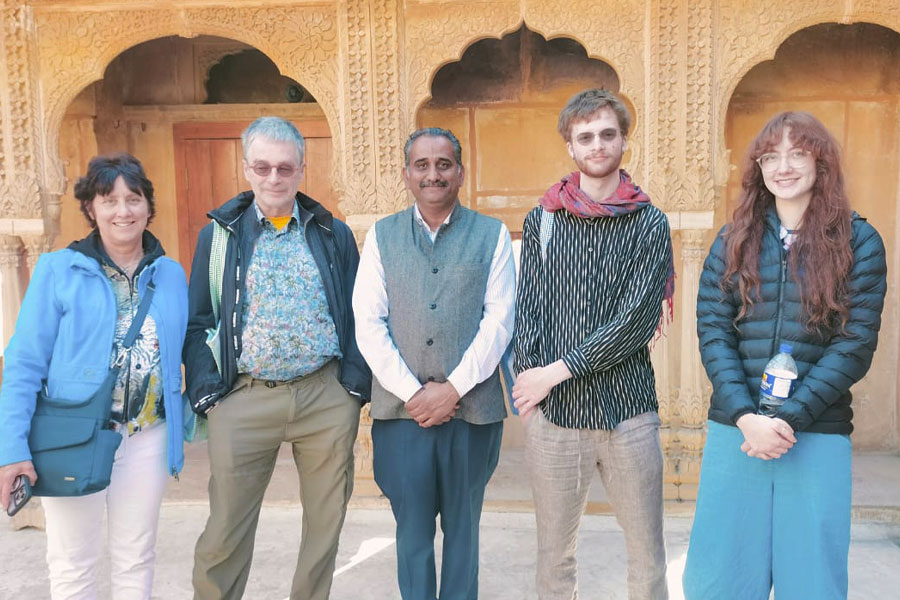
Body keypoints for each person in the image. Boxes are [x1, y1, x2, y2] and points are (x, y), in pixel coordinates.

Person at [682, 111, 887, 600]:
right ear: (758, 168)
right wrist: (746, 416)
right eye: (770, 157)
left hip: (816, 430)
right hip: (738, 432)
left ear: (821, 162)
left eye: (798, 153)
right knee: (722, 578)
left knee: (812, 579)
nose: (784, 167)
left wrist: (787, 419)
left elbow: (855, 344)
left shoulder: (859, 241)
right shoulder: (732, 240)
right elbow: (714, 332)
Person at [185, 116, 370, 600]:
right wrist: (209, 393)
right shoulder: (219, 236)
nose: (274, 178)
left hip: (324, 396)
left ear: (302, 169)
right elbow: (199, 319)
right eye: (262, 167)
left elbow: (360, 313)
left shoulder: (332, 233)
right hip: (243, 397)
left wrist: (352, 389)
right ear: (246, 168)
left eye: (285, 168)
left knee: (325, 527)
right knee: (225, 530)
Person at [0, 153, 190, 598]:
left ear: (148, 206)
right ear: (91, 208)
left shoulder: (170, 274)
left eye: (133, 199)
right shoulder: (58, 270)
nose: (123, 211)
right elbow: (24, 365)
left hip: (147, 437)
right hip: (73, 437)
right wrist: (12, 449)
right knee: (73, 563)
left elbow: (190, 347)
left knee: (136, 557)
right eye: (109, 200)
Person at [513, 88, 674, 600]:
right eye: (585, 137)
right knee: (554, 557)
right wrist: (530, 389)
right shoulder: (544, 219)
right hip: (555, 418)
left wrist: (553, 372)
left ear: (624, 140)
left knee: (647, 556)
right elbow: (529, 309)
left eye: (607, 134)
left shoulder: (649, 222)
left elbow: (636, 322)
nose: (597, 145)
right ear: (570, 146)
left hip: (628, 414)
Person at [352, 127, 516, 600]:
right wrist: (414, 394)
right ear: (406, 174)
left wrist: (453, 389)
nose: (433, 174)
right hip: (402, 415)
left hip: (472, 413)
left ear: (460, 172)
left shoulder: (492, 236)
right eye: (421, 165)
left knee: (464, 532)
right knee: (412, 534)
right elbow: (368, 322)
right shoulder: (381, 236)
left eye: (443, 164)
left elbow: (499, 322)